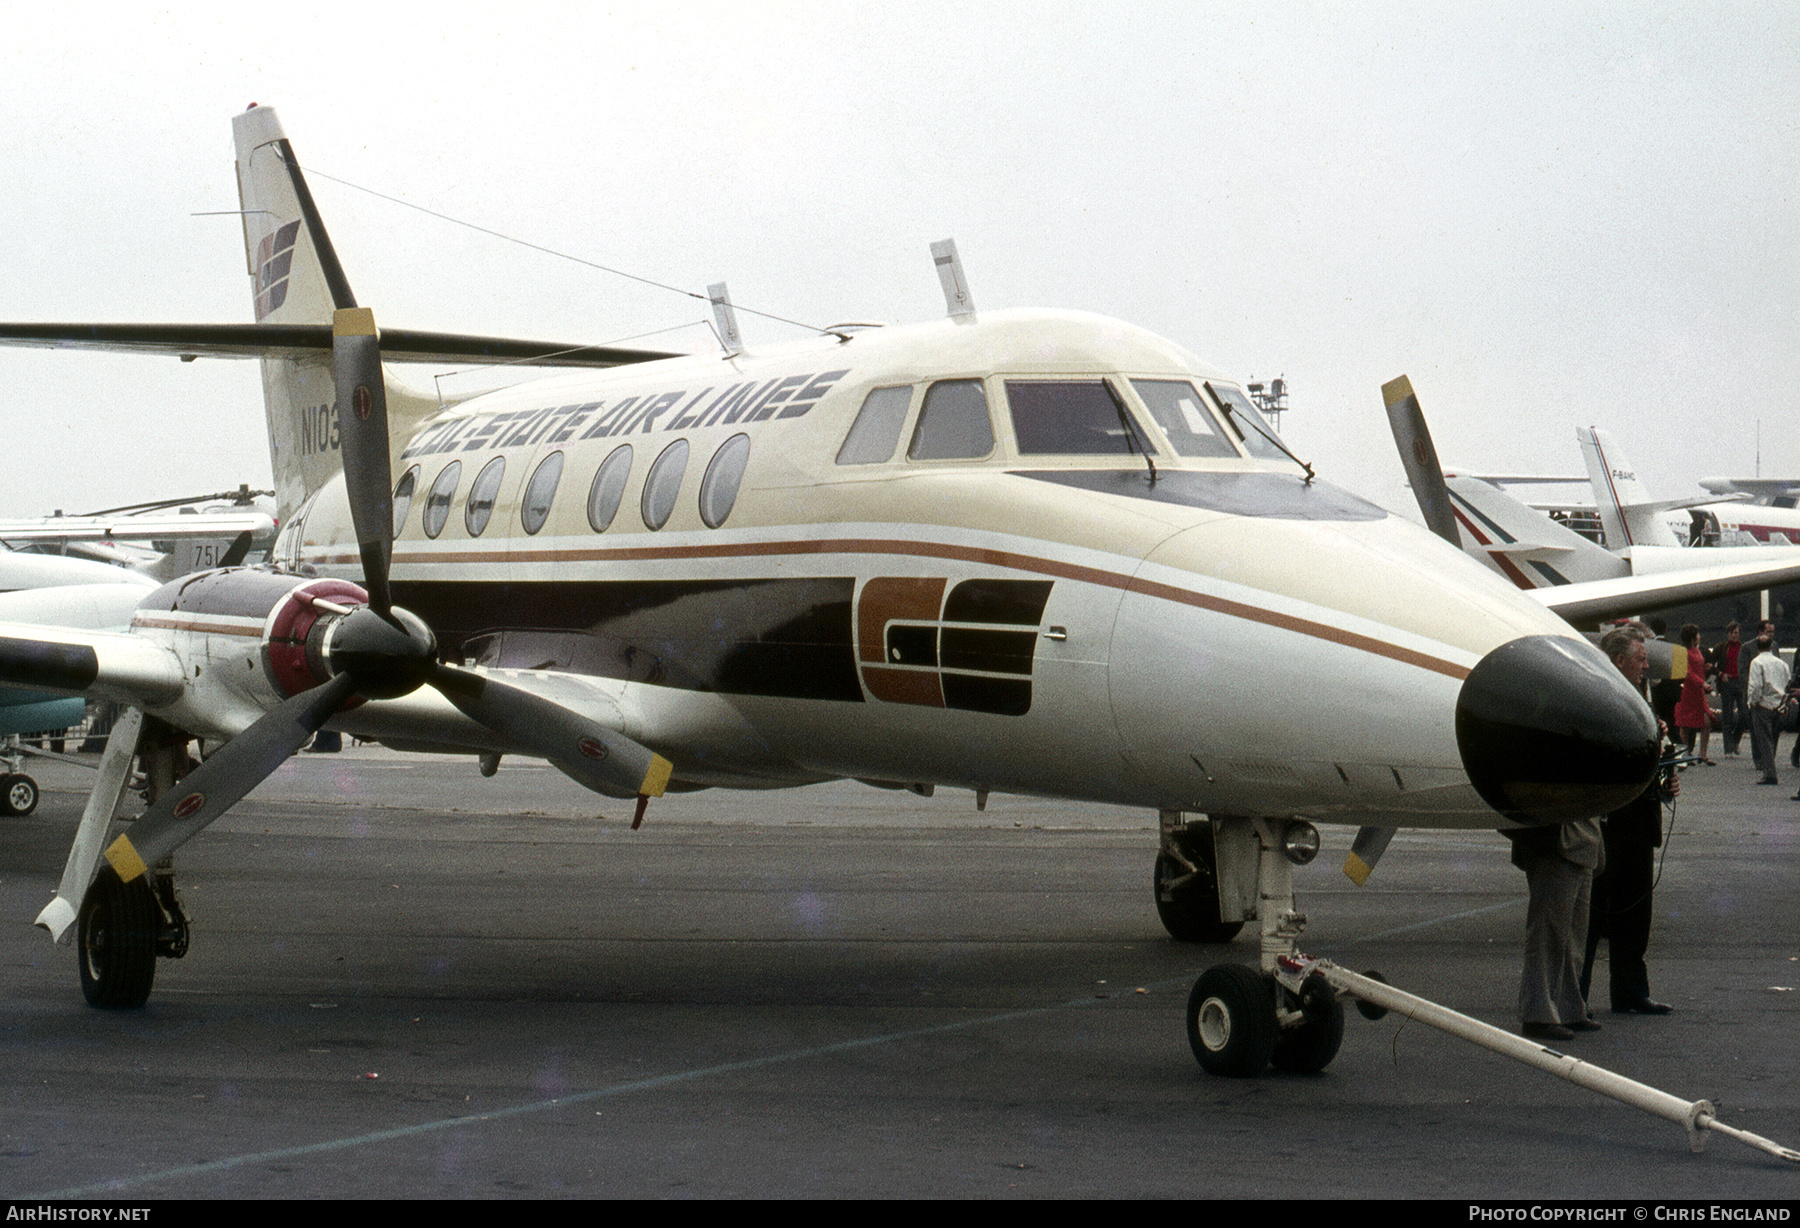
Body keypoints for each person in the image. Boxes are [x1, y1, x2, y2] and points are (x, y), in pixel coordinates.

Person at [1581, 623, 1677, 1015]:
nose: (1645, 667)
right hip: (1611, 824)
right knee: (1594, 914)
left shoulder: (1642, 697)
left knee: (1636, 910)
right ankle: (1577, 995)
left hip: (1640, 821)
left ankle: (1631, 991)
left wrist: (1665, 780)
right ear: (1619, 661)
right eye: (1640, 660)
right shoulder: (1597, 698)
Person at [1745, 624, 1789, 785]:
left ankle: (1769, 773)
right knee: (1773, 739)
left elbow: (1755, 686)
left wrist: (1753, 702)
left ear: (1757, 647)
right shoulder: (1781, 664)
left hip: (1763, 705)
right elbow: (1787, 683)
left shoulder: (1756, 663)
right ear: (1771, 646)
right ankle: (1771, 768)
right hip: (1779, 705)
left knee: (1764, 740)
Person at [1672, 624, 1714, 765]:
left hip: (1698, 691)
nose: (1699, 637)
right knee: (1686, 725)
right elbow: (1688, 672)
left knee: (1706, 721)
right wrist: (1702, 683)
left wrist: (1705, 669)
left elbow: (1696, 669)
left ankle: (1702, 754)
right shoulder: (1685, 653)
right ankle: (1684, 756)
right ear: (1692, 638)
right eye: (1697, 634)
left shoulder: (1697, 651)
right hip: (1690, 691)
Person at [1711, 622, 1744, 755]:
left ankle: (1735, 740)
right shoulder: (1721, 648)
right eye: (1732, 633)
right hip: (1727, 682)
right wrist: (1721, 674)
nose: (1734, 635)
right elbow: (1711, 665)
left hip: (1740, 683)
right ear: (1727, 634)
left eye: (1736, 633)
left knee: (1744, 715)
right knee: (1727, 716)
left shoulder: (1743, 648)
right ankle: (1728, 748)